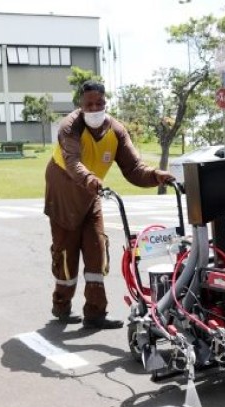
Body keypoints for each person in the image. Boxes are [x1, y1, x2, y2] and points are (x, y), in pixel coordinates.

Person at [44, 80, 174, 329]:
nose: (94, 109)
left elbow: (134, 169)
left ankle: (95, 313)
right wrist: (90, 178)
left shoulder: (116, 130)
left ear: (106, 103)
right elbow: (72, 161)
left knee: (97, 250)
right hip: (63, 193)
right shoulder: (70, 126)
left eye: (99, 103)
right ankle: (61, 305)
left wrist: (154, 175)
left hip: (91, 194)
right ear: (81, 106)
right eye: (88, 104)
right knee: (65, 254)